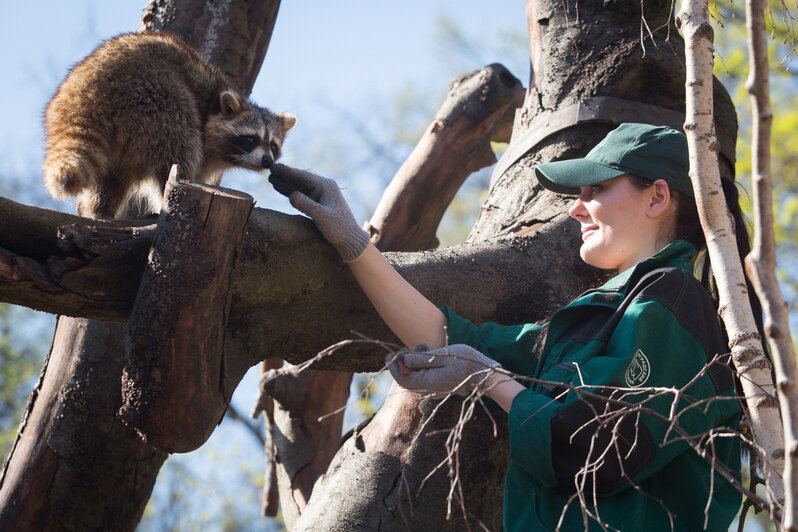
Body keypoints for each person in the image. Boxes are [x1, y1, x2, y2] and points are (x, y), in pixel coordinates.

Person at [268, 123, 749, 531]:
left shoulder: (674, 302)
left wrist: (488, 379)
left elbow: (594, 448)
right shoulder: (595, 319)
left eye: (596, 189)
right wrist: (352, 242)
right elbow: (448, 340)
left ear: (657, 197)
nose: (574, 209)